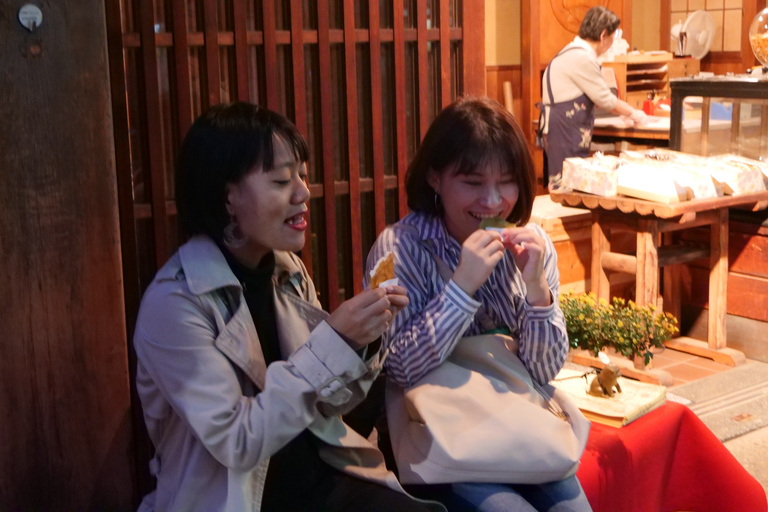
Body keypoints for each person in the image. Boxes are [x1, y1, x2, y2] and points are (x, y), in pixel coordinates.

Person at [133, 102, 442, 512]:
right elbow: (237, 443)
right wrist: (334, 341)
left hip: (316, 475)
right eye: (281, 180)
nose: (302, 193)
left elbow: (330, 405)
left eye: (303, 175)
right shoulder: (174, 304)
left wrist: (362, 342)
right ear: (228, 197)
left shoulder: (286, 270)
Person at [365, 96, 592, 512]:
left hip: (518, 425)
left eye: (506, 182)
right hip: (440, 435)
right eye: (472, 182)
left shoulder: (531, 246)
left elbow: (544, 370)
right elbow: (398, 367)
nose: (492, 201)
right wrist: (461, 286)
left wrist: (538, 289)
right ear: (435, 177)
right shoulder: (396, 250)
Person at [540, 5, 647, 188]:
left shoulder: (571, 51)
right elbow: (605, 99)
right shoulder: (582, 58)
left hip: (560, 128)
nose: (612, 43)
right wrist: (634, 113)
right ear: (603, 35)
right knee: (568, 187)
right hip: (565, 130)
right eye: (612, 37)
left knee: (566, 184)